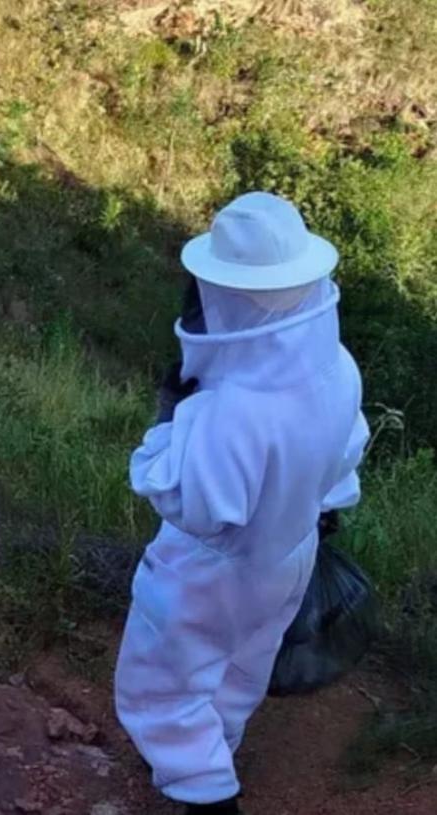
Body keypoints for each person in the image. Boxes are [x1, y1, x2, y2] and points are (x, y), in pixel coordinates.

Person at [115, 192, 369, 815]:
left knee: (164, 686)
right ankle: (217, 748)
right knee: (241, 668)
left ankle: (205, 793)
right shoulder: (338, 367)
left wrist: (171, 425)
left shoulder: (231, 410)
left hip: (211, 571)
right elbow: (344, 460)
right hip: (292, 554)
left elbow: (193, 505)